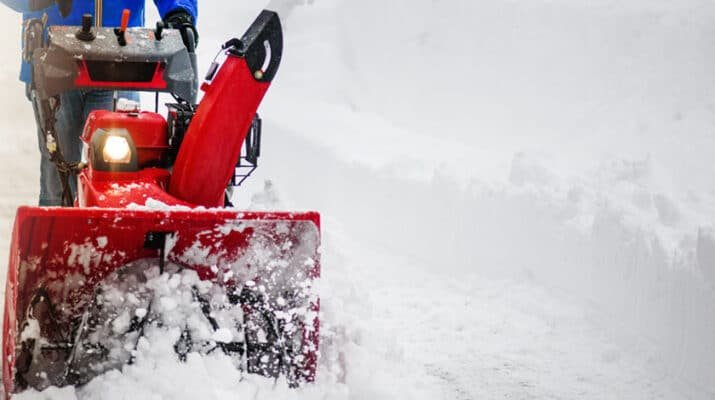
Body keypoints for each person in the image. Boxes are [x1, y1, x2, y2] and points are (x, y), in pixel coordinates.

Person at [0, 0, 198, 205]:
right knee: (59, 174)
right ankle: (58, 232)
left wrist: (180, 12)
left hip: (123, 59)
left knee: (118, 169)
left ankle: (111, 231)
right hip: (53, 58)